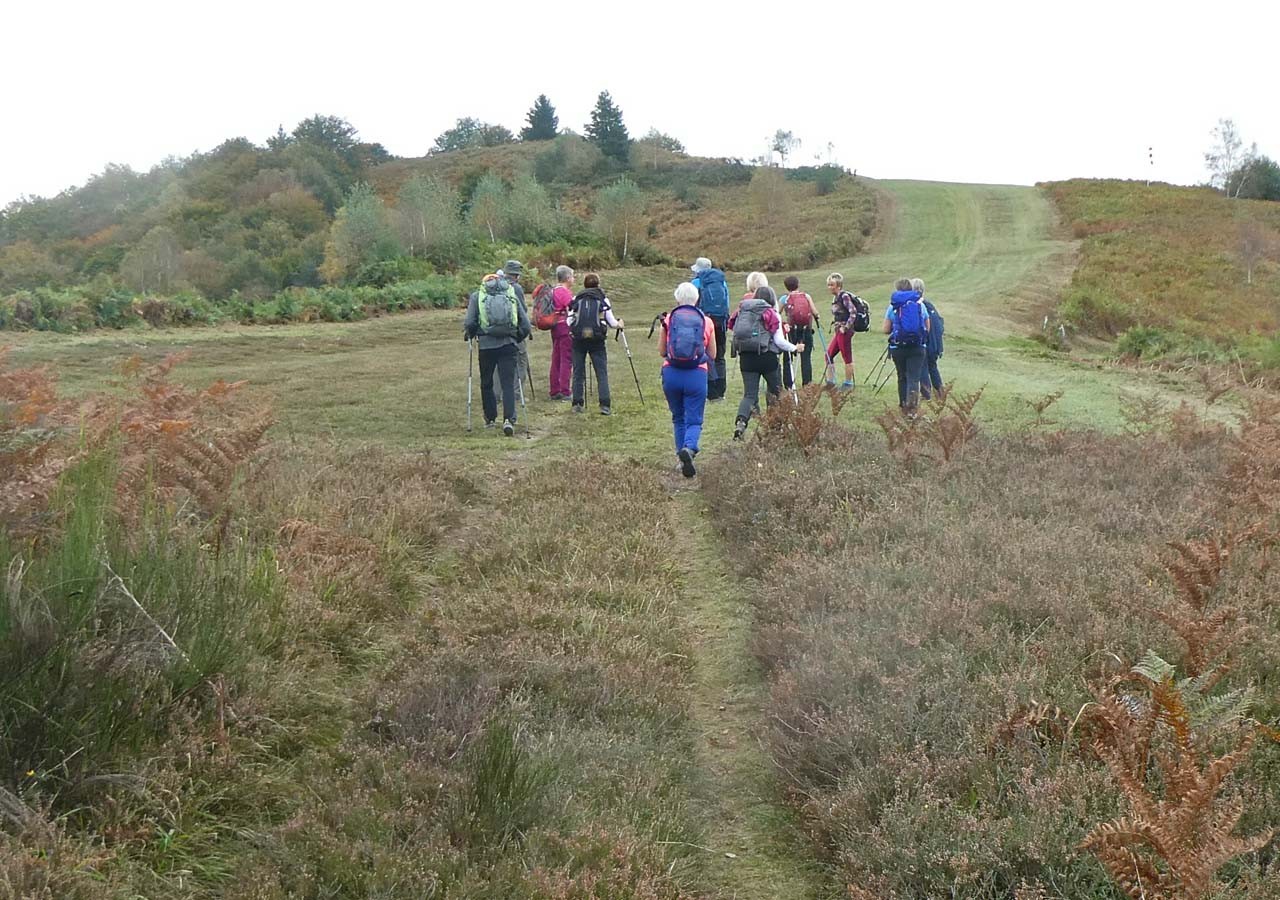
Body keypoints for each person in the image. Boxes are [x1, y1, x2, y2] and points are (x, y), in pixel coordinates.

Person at [728, 286, 802, 440]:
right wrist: (795, 347)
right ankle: (775, 428)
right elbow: (779, 341)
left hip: (746, 358)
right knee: (776, 393)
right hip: (767, 357)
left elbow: (731, 327)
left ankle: (741, 422)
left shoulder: (742, 310)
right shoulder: (771, 313)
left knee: (749, 395)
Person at [659, 282, 717, 478]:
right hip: (696, 374)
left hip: (672, 373)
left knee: (678, 417)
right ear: (697, 299)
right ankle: (690, 448)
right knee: (695, 419)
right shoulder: (706, 321)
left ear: (677, 299)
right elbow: (713, 353)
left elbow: (661, 351)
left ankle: (680, 457)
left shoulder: (669, 319)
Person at [464, 270, 532, 436]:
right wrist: (517, 336)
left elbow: (470, 322)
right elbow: (525, 324)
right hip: (508, 344)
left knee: (487, 382)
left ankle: (490, 417)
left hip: (486, 345)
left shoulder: (477, 296)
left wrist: (471, 334)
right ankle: (509, 419)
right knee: (508, 382)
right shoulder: (511, 294)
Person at [567, 272, 624, 415]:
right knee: (601, 372)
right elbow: (611, 322)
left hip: (578, 339)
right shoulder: (603, 299)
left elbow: (569, 321)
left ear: (584, 285)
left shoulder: (576, 298)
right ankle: (605, 405)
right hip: (597, 340)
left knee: (578, 372)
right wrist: (619, 324)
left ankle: (577, 403)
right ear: (598, 284)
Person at [883, 276, 931, 417]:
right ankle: (912, 409)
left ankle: (903, 406)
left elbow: (885, 329)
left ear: (897, 289)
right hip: (917, 347)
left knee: (902, 376)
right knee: (914, 378)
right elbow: (927, 328)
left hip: (898, 348)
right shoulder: (920, 305)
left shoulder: (893, 306)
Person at [690, 257, 730, 401]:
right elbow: (727, 302)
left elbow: (692, 304)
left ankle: (712, 392)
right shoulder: (722, 282)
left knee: (707, 355)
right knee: (720, 355)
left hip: (705, 321)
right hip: (721, 321)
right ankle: (721, 390)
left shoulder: (696, 283)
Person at [824, 273, 861, 389]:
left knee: (847, 356)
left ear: (839, 285)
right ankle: (831, 382)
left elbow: (853, 312)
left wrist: (845, 327)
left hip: (844, 331)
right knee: (828, 355)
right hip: (838, 330)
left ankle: (848, 383)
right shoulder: (835, 297)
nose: (830, 287)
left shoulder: (844, 296)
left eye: (832, 285)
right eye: (828, 285)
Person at [780, 275, 816, 387]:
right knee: (806, 358)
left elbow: (776, 313)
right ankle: (807, 384)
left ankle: (788, 384)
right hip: (806, 330)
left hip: (791, 330)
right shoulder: (806, 296)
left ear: (786, 287)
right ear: (798, 284)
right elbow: (815, 312)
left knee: (788, 358)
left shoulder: (784, 299)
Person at [503, 260, 533, 391]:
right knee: (521, 360)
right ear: (517, 275)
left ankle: (498, 393)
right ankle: (516, 391)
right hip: (516, 330)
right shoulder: (516, 288)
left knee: (502, 362)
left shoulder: (496, 286)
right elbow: (522, 311)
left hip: (499, 331)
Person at [913, 277, 945, 400]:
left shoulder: (917, 306)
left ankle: (926, 394)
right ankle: (941, 392)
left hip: (925, 342)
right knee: (932, 367)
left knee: (923, 368)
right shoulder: (929, 305)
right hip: (935, 344)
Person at [548, 265, 575, 400]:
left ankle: (554, 389)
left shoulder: (553, 291)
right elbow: (572, 307)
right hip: (565, 327)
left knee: (556, 358)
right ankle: (565, 390)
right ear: (568, 278)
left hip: (555, 327)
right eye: (572, 276)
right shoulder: (564, 292)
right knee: (566, 359)